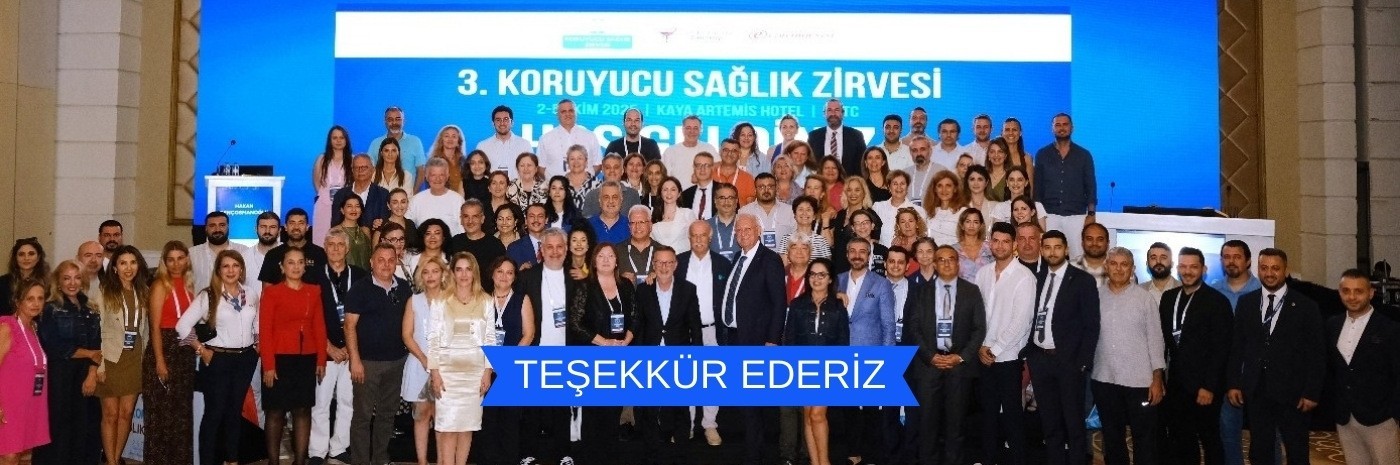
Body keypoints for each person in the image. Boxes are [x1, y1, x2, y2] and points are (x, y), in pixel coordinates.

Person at [1225, 248, 1325, 465]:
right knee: (1260, 451)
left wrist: (1312, 392)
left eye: (1275, 268)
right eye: (1264, 268)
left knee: (1297, 452)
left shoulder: (1306, 306)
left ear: (1285, 270)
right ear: (1258, 269)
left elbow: (1317, 354)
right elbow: (1237, 347)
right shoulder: (1247, 303)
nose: (1269, 273)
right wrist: (1233, 383)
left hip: (1294, 394)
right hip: (1257, 391)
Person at [178, 249, 261, 465]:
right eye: (226, 266)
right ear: (218, 270)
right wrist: (201, 349)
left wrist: (257, 345)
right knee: (214, 414)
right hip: (218, 361)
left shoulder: (250, 293)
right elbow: (182, 326)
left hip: (245, 360)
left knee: (234, 412)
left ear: (241, 269)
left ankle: (232, 460)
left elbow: (256, 321)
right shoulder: (208, 295)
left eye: (235, 266)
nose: (231, 270)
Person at [1024, 229, 1100, 465]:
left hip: (1069, 363)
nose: (1052, 252)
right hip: (1040, 360)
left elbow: (1092, 325)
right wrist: (1031, 355)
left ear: (1066, 250)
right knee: (1050, 424)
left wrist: (1083, 363)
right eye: (1047, 247)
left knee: (1073, 424)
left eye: (1057, 247)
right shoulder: (1035, 279)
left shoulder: (1082, 280)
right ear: (1041, 250)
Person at [906, 245, 985, 465]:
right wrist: (930, 356)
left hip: (959, 367)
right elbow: (913, 328)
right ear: (935, 264)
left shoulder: (972, 291)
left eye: (951, 259)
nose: (947, 263)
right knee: (927, 424)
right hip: (928, 366)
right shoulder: (921, 291)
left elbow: (979, 329)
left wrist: (960, 357)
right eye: (941, 259)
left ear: (958, 264)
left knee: (956, 425)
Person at [719, 213, 787, 464]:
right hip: (735, 338)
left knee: (753, 402)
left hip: (757, 341)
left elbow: (779, 303)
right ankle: (752, 450)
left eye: (747, 229)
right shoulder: (738, 258)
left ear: (758, 231)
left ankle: (755, 455)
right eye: (738, 231)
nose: (742, 234)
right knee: (744, 399)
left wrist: (772, 340)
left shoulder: (769, 259)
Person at [1158, 247, 1232, 465]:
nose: (1187, 271)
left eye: (1193, 267)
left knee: (1210, 439)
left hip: (1204, 387)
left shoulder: (1217, 302)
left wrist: (1209, 386)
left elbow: (1221, 349)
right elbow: (1164, 342)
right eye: (1183, 266)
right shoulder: (1168, 298)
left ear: (1204, 269)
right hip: (1176, 385)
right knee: (1181, 438)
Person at [1092, 247, 1165, 465]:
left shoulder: (1145, 299)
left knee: (1144, 438)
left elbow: (1156, 340)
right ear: (1106, 266)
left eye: (1124, 264)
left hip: (1139, 382)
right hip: (1104, 378)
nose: (1118, 269)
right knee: (1112, 437)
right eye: (1114, 263)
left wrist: (1157, 379)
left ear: (1132, 269)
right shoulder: (1095, 297)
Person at [344, 244, 414, 465]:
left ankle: (380, 458)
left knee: (387, 415)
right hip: (367, 364)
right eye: (380, 260)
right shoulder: (359, 289)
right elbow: (349, 326)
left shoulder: (404, 288)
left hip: (396, 362)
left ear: (396, 262)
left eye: (391, 260)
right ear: (371, 262)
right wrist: (355, 360)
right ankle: (360, 461)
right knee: (363, 416)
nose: (386, 264)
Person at [568, 243, 638, 463]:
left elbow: (635, 317)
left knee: (613, 411)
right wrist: (604, 342)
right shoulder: (584, 286)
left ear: (617, 261)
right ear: (594, 261)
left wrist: (625, 341)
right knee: (593, 412)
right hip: (593, 356)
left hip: (620, 357)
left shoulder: (626, 285)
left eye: (610, 256)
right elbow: (575, 323)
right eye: (601, 256)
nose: (606, 260)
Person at [517, 228, 581, 465]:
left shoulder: (577, 278)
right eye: (549, 247)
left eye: (559, 247)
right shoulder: (527, 277)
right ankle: (528, 454)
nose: (555, 251)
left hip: (566, 351)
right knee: (531, 408)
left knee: (562, 408)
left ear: (566, 250)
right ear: (541, 251)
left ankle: (564, 454)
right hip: (535, 349)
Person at [259, 247, 328, 465]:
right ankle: (273, 462)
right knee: (275, 412)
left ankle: (299, 461)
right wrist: (268, 365)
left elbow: (319, 327)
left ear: (305, 266)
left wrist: (321, 359)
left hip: (305, 358)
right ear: (282, 267)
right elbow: (265, 330)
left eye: (300, 262)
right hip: (278, 359)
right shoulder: (271, 293)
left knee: (303, 410)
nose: (296, 266)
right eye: (291, 262)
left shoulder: (313, 291)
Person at [1326, 269, 1400, 465]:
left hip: (1381, 418)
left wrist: (1393, 413)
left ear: (1371, 293)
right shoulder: (1332, 325)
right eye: (1346, 291)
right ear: (1339, 292)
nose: (1352, 297)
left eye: (1358, 291)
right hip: (1345, 417)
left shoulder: (1390, 329)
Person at [429, 252, 497, 465]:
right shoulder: (440, 301)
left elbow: (490, 338)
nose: (464, 274)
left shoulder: (487, 301)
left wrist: (487, 371)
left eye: (468, 269)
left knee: (467, 428)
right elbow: (433, 338)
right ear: (452, 273)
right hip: (447, 374)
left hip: (475, 374)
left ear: (474, 272)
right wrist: (435, 373)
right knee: (448, 428)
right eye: (459, 269)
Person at [33, 261, 101, 465]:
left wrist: (92, 374)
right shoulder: (50, 309)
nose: (72, 283)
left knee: (84, 427)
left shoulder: (91, 308)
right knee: (58, 426)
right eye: (67, 278)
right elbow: (53, 346)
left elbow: (97, 345)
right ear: (58, 281)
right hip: (59, 375)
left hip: (85, 375)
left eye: (77, 278)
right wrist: (89, 354)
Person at [834, 237, 895, 465]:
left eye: (862, 251)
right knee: (848, 409)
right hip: (842, 354)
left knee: (871, 410)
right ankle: (853, 453)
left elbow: (888, 325)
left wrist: (888, 360)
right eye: (853, 251)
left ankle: (871, 456)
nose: (857, 255)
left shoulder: (881, 284)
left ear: (869, 256)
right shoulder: (837, 281)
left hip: (871, 355)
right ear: (847, 255)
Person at [783, 258, 849, 465]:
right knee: (808, 416)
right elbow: (789, 340)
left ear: (830, 279)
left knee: (818, 414)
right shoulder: (797, 305)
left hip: (829, 369)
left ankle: (824, 461)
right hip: (802, 368)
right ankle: (815, 462)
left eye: (822, 275)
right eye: (812, 274)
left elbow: (843, 343)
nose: (816, 279)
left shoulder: (838, 307)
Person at [674, 220, 731, 446]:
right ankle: (686, 425)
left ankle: (709, 425)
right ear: (689, 238)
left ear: (710, 237)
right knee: (685, 379)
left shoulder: (723, 264)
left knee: (711, 379)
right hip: (685, 331)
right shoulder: (678, 262)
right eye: (694, 236)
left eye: (702, 235)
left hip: (712, 331)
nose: (698, 239)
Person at [309, 228, 363, 465]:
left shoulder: (360, 276)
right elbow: (308, 316)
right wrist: (328, 347)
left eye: (341, 245)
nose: (336, 249)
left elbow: (365, 316)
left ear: (347, 248)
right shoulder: (313, 276)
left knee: (347, 401)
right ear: (325, 247)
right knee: (320, 403)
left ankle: (339, 447)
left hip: (352, 351)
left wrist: (352, 349)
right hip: (325, 350)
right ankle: (317, 451)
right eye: (331, 245)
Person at [476, 257, 534, 465]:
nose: (504, 276)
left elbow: (529, 334)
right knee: (488, 420)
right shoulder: (481, 300)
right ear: (492, 273)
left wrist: (508, 362)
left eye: (509, 272)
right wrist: (489, 365)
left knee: (510, 421)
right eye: (500, 271)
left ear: (514, 277)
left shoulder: (521, 299)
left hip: (511, 368)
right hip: (485, 368)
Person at [142, 241, 196, 465]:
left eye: (180, 258)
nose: (176, 264)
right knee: (161, 416)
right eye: (171, 259)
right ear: (164, 262)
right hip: (163, 349)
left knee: (181, 415)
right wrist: (160, 361)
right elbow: (154, 327)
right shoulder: (159, 285)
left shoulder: (190, 285)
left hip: (184, 352)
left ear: (187, 259)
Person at [1209, 240, 1262, 465]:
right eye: (1227, 257)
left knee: (1266, 434)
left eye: (1237, 257)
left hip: (1259, 375)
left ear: (1248, 261)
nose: (1231, 261)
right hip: (1226, 375)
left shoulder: (1263, 291)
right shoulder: (1212, 291)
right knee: (1228, 433)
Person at [97, 245, 150, 465]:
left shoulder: (143, 292)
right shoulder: (104, 291)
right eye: (123, 263)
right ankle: (110, 460)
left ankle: (116, 458)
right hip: (110, 359)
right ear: (115, 268)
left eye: (133, 262)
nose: (128, 268)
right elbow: (98, 328)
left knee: (126, 414)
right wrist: (99, 364)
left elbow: (146, 329)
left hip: (134, 359)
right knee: (110, 414)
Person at [1034, 113, 1097, 261]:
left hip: (1076, 216)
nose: (1061, 128)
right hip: (1049, 216)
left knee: (1077, 259)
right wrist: (1038, 216)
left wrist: (1091, 214)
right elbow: (1037, 188)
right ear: (1052, 128)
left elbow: (1091, 186)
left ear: (1072, 127)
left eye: (1065, 124)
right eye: (1057, 125)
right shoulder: (1042, 154)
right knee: (1050, 258)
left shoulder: (1084, 155)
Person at [402, 253, 445, 465]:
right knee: (421, 414)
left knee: (442, 417)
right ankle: (422, 461)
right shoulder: (414, 301)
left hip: (445, 366)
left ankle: (443, 460)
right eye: (426, 272)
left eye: (435, 271)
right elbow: (407, 335)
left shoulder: (451, 300)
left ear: (443, 274)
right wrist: (424, 359)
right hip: (419, 364)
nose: (430, 276)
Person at [0, 280, 50, 462]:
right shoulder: (8, 327)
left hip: (29, 403)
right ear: (17, 301)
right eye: (30, 299)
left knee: (20, 454)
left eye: (40, 298)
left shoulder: (33, 328)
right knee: (9, 454)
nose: (36, 303)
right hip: (7, 404)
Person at [260, 208, 329, 285]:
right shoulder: (273, 255)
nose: (296, 227)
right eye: (292, 223)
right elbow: (266, 289)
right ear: (285, 227)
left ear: (307, 227)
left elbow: (326, 286)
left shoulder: (320, 254)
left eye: (301, 223)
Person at [367, 106, 427, 187]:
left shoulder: (415, 142)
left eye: (398, 119)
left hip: (407, 193)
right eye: (390, 119)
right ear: (385, 122)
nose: (394, 123)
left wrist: (413, 193)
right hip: (380, 193)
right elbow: (368, 170)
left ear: (404, 121)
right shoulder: (375, 143)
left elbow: (421, 172)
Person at [313, 125, 353, 245]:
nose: (338, 141)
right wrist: (324, 198)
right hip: (324, 207)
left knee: (343, 242)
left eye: (341, 138)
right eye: (334, 138)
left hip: (345, 208)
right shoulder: (322, 159)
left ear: (346, 140)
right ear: (330, 140)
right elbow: (316, 182)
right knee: (321, 241)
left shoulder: (352, 160)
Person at [538, 99, 601, 176]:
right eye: (563, 111)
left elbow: (598, 164)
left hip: (586, 183)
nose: (567, 114)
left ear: (576, 113)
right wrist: (553, 182)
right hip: (555, 183)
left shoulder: (590, 136)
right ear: (557, 115)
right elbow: (541, 168)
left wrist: (586, 180)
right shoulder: (545, 139)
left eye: (571, 111)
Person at [330, 154, 391, 233]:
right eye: (356, 167)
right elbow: (335, 225)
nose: (360, 170)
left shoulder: (383, 194)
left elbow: (384, 225)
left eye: (364, 167)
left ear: (373, 170)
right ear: (352, 171)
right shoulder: (340, 195)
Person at [407, 158, 468, 236]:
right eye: (433, 175)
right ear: (426, 176)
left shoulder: (457, 200)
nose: (437, 179)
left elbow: (463, 230)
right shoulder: (416, 200)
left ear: (447, 176)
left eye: (441, 175)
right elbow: (408, 228)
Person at [807, 98, 867, 177]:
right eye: (829, 110)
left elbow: (862, 163)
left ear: (843, 113)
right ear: (824, 114)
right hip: (821, 182)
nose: (833, 113)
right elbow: (809, 163)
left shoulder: (856, 136)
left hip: (848, 182)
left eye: (837, 110)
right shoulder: (814, 136)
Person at [738, 175, 797, 254]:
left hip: (783, 259)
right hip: (755, 260)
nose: (766, 190)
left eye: (770, 186)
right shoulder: (744, 212)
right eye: (761, 187)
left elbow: (796, 239)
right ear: (755, 190)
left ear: (776, 188)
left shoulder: (790, 211)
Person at [448, 199, 507, 278]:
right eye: (466, 216)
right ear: (461, 219)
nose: (470, 221)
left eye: (475, 216)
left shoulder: (495, 245)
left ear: (482, 219)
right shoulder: (454, 242)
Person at [662, 115, 718, 190]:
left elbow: (719, 167)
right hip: (678, 195)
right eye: (688, 128)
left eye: (695, 128)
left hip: (703, 194)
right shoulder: (670, 151)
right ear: (683, 130)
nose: (692, 132)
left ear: (701, 130)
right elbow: (664, 178)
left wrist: (701, 176)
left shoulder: (709, 148)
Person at [474, 105, 531, 179]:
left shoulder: (524, 145)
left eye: (506, 119)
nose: (502, 123)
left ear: (512, 122)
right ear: (493, 123)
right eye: (498, 120)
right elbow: (478, 173)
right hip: (490, 186)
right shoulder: (482, 146)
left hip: (518, 186)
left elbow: (531, 170)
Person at [581, 153, 641, 218]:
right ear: (602, 170)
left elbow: (638, 219)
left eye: (616, 167)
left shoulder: (633, 195)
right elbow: (585, 222)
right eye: (608, 168)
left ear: (622, 170)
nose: (612, 170)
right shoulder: (591, 195)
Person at [1, 237, 49, 316]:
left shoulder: (49, 284)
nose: (26, 258)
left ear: (38, 257)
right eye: (21, 254)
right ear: (15, 258)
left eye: (31, 254)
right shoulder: (2, 283)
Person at [831, 208, 887, 276]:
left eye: (866, 222)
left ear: (872, 226)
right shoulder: (845, 250)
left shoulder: (883, 251)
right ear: (853, 228)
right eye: (857, 223)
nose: (862, 226)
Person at [873, 171, 923, 245]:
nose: (899, 187)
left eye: (902, 183)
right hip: (882, 251)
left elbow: (922, 237)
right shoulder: (878, 207)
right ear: (889, 187)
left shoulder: (918, 210)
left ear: (907, 187)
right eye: (895, 184)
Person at [777, 196, 834, 261]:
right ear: (795, 215)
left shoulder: (822, 241)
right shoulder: (786, 239)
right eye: (801, 209)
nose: (804, 213)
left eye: (808, 210)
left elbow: (826, 265)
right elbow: (783, 265)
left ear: (814, 216)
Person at [650, 177, 696, 254]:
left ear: (679, 193)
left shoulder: (687, 214)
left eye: (673, 190)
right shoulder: (652, 216)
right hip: (661, 260)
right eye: (665, 190)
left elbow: (694, 240)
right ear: (660, 193)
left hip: (682, 258)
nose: (669, 193)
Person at [922, 169, 967, 247]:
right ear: (935, 189)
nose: (944, 190)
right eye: (940, 186)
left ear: (955, 189)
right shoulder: (928, 212)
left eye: (948, 186)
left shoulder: (963, 212)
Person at [904, 135, 949, 205]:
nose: (919, 154)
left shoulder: (941, 171)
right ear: (910, 153)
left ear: (930, 151)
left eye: (922, 149)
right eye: (915, 150)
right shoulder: (905, 173)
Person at [832, 176, 877, 242]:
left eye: (857, 190)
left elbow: (875, 241)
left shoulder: (870, 215)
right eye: (849, 190)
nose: (853, 193)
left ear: (864, 192)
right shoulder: (840, 214)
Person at [506, 204, 548, 270]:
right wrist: (520, 272)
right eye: (531, 216)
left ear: (546, 220)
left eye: (540, 216)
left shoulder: (556, 245)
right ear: (526, 221)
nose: (536, 220)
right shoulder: (514, 248)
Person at [715, 138, 757, 205]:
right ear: (720, 152)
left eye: (734, 151)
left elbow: (750, 207)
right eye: (726, 150)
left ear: (739, 154)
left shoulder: (748, 178)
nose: (729, 154)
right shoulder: (708, 174)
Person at [955, 208, 993, 282]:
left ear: (980, 225)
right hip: (962, 288)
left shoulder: (990, 247)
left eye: (975, 222)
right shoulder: (954, 250)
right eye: (968, 221)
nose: (971, 225)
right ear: (962, 225)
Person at [336, 196, 372, 269]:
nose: (353, 209)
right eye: (349, 206)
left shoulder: (365, 230)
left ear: (361, 210)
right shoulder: (336, 231)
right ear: (342, 210)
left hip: (365, 274)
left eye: (357, 206)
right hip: (345, 273)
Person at [680, 152, 719, 220]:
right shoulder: (685, 195)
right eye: (698, 165)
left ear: (712, 168)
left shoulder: (724, 191)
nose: (702, 169)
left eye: (706, 165)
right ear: (694, 167)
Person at [1072, 223, 1111, 287]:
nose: (1094, 243)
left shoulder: (1119, 269)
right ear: (1082, 243)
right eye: (1089, 239)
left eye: (1100, 239)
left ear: (1107, 243)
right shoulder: (1069, 268)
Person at [562, 145, 599, 210]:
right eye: (572, 159)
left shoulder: (596, 184)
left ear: (586, 161)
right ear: (567, 162)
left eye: (580, 158)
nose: (576, 162)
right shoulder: (560, 183)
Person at [1002, 117, 1035, 188]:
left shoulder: (1027, 158)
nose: (1011, 133)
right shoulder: (995, 156)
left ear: (1020, 133)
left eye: (1014, 130)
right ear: (1002, 133)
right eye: (1007, 130)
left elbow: (1030, 187)